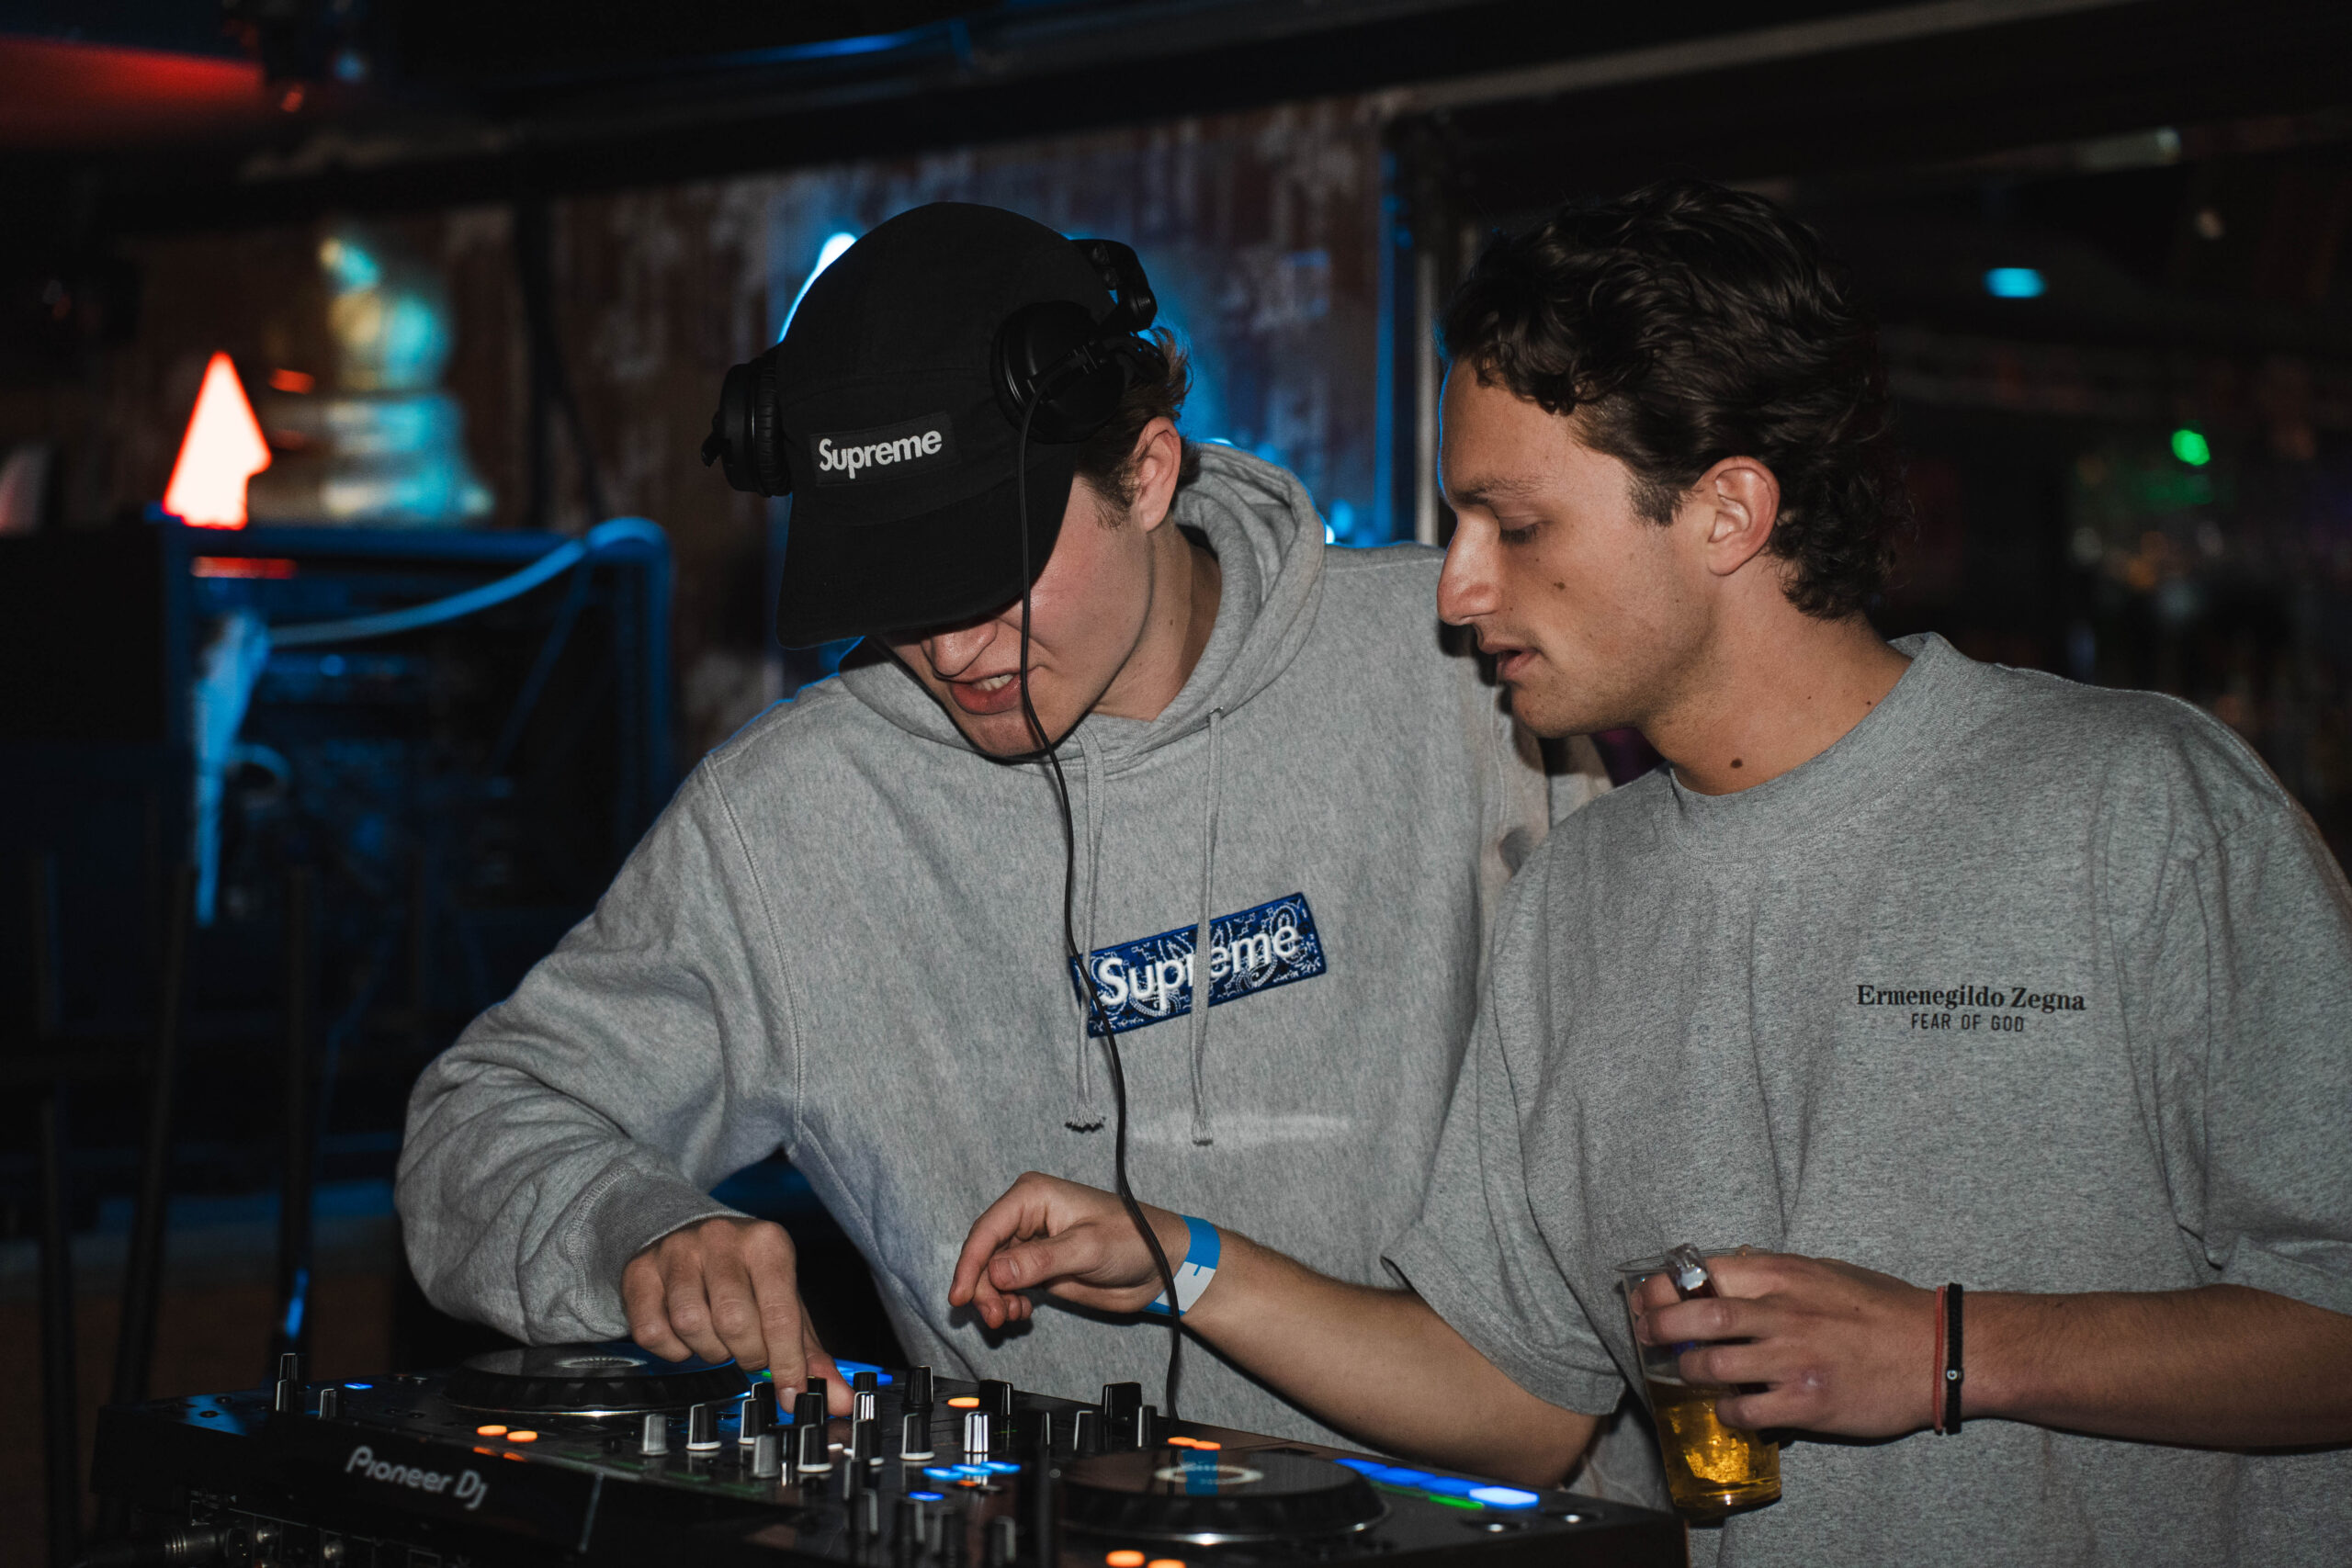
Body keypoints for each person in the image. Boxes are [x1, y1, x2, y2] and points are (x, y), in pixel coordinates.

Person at [952, 181, 2352, 1562]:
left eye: (1516, 525)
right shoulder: (1579, 891)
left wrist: (1948, 1351)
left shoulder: (2134, 808)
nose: (1458, 589)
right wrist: (1183, 1262)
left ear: (1728, 511)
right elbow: (1517, 1402)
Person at [396, 202, 1607, 1439]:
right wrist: (637, 1229)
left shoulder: (1465, 673)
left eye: (990, 575)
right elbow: (476, 1127)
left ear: (1146, 471)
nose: (953, 649)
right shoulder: (791, 822)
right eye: (898, 596)